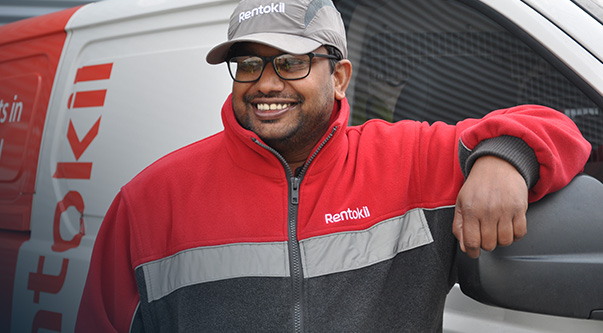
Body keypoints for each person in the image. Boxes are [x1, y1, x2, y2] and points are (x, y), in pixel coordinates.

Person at [76, 0, 591, 331]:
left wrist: (506, 156)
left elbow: (561, 129)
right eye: (249, 63)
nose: (266, 83)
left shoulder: (410, 160)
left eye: (292, 61)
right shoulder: (150, 199)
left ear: (340, 76)